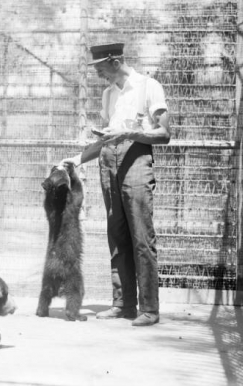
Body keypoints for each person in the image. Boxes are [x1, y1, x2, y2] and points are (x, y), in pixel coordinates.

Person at [61, 43, 171, 326]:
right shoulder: (109, 94)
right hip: (108, 164)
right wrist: (77, 159)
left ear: (114, 61)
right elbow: (104, 140)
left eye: (99, 68)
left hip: (136, 162)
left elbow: (164, 133)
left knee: (142, 238)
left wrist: (129, 132)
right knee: (117, 236)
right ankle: (123, 304)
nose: (97, 74)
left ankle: (150, 309)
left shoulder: (148, 86)